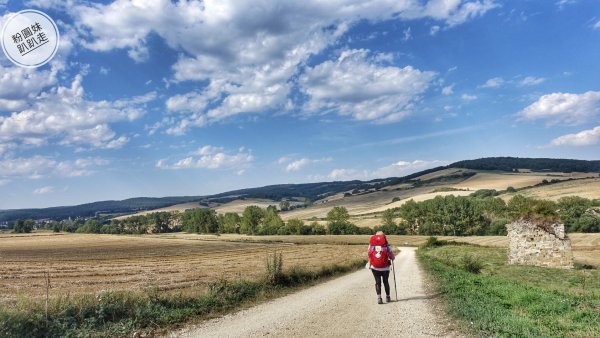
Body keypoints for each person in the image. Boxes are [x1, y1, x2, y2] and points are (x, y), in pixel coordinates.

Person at [367, 231, 395, 304]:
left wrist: (370, 263)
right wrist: (391, 257)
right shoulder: (386, 246)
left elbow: (369, 254)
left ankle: (379, 298)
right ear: (384, 237)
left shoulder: (371, 246)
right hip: (385, 267)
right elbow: (392, 257)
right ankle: (388, 297)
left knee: (377, 282)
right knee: (386, 281)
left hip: (375, 267)